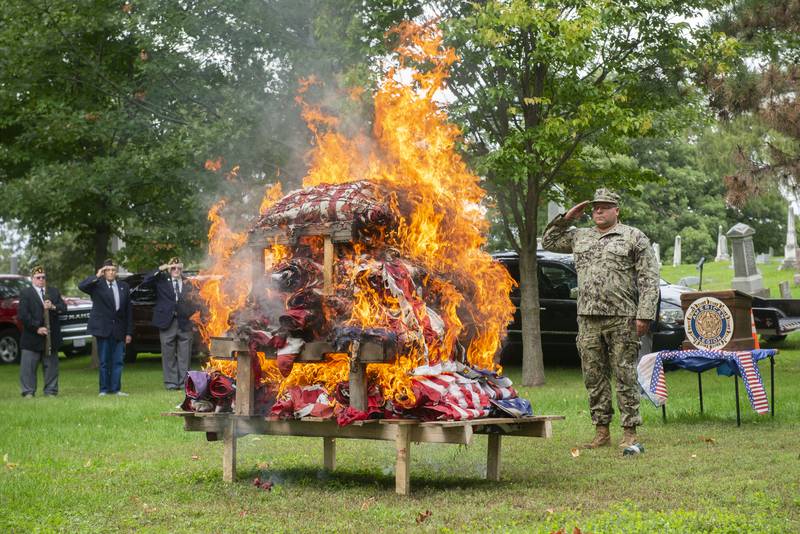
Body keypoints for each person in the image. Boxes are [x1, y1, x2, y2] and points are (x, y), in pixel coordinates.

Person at [542, 188, 659, 450]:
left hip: (622, 318)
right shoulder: (580, 236)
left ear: (616, 210)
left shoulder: (633, 237)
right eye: (595, 207)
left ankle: (630, 432)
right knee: (593, 377)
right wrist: (567, 217)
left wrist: (645, 314)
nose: (598, 211)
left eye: (605, 207)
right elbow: (548, 242)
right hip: (587, 318)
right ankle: (601, 430)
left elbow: (649, 279)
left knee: (624, 375)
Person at [141, 256, 198, 390]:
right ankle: (171, 383)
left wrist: (194, 320)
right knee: (168, 354)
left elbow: (195, 302)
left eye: (179, 268)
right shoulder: (161, 281)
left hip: (185, 323)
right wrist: (160, 269)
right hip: (167, 322)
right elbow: (146, 281)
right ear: (169, 269)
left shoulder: (188, 283)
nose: (176, 270)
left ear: (182, 269)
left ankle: (185, 383)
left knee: (185, 355)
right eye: (173, 268)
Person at [79, 259, 133, 397]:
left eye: (113, 270)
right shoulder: (97, 285)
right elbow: (82, 286)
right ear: (103, 271)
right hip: (103, 329)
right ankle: (103, 389)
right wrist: (97, 276)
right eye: (108, 270)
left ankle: (116, 389)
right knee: (104, 361)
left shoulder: (123, 286)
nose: (111, 272)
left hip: (119, 329)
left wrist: (128, 332)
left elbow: (128, 311)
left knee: (118, 361)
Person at [17, 265, 67, 397]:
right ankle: (28, 392)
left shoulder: (53, 292)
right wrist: (36, 328)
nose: (41, 280)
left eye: (43, 277)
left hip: (51, 337)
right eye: (38, 277)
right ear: (32, 279)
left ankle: (51, 391)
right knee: (28, 367)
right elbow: (23, 315)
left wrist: (53, 306)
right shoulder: (26, 293)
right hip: (32, 336)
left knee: (51, 366)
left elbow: (63, 308)